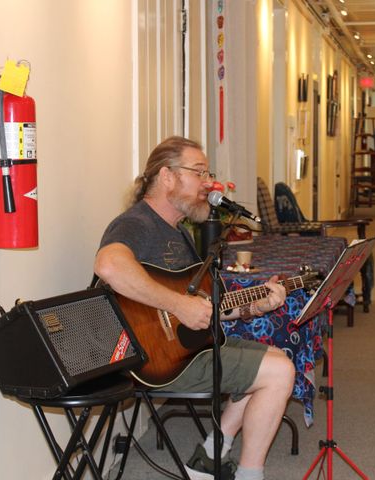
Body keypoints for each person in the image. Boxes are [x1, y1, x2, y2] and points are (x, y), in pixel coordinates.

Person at [94, 136, 295, 480]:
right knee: (278, 374)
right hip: (153, 358)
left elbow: (207, 307)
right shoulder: (136, 224)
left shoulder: (180, 233)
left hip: (189, 348)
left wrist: (253, 306)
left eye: (208, 173)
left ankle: (209, 456)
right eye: (198, 172)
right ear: (167, 176)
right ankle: (249, 473)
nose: (208, 183)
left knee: (277, 359)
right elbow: (109, 266)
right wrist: (178, 305)